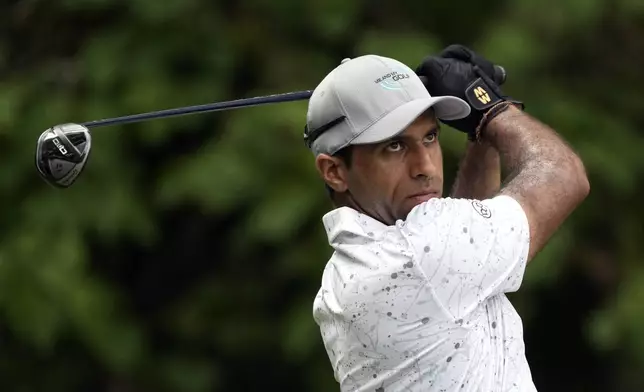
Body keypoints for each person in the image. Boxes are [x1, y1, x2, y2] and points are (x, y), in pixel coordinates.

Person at [304, 45, 590, 392]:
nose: (425, 167)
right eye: (394, 147)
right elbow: (564, 176)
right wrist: (491, 107)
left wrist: (479, 132)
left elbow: (462, 250)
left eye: (430, 136)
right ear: (334, 171)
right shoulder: (416, 255)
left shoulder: (345, 273)